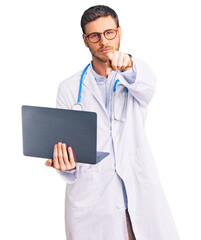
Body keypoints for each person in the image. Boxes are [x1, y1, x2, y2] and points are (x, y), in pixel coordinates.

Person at [45, 5, 180, 240]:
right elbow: (68, 149)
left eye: (109, 33)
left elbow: (147, 84)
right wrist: (65, 165)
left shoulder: (135, 77)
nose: (103, 41)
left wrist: (128, 66)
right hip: (94, 205)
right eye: (95, 35)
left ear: (119, 32)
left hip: (139, 198)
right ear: (85, 41)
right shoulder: (68, 88)